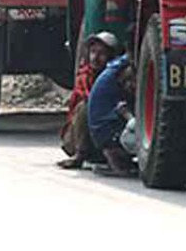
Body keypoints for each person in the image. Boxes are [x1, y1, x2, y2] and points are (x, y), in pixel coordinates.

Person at [58, 31, 120, 169]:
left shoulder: (116, 76)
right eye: (93, 52)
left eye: (101, 53)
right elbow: (90, 98)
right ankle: (80, 154)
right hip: (78, 138)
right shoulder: (85, 75)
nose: (95, 58)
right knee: (86, 106)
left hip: (106, 135)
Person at [87, 52, 137, 176]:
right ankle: (116, 161)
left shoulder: (113, 70)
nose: (134, 86)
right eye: (132, 83)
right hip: (106, 134)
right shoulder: (113, 83)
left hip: (103, 133)